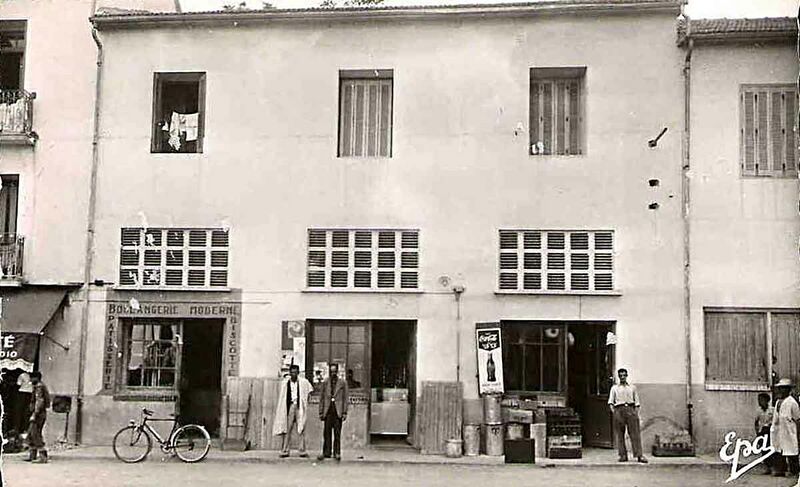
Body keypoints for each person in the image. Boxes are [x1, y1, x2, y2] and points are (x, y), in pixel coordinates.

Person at [608, 368, 648, 463]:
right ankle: (623, 455)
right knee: (620, 434)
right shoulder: (614, 388)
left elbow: (637, 403)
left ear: (626, 376)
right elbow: (611, 403)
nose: (622, 377)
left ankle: (639, 455)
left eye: (624, 375)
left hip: (630, 409)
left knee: (635, 434)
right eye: (620, 376)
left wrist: (635, 413)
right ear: (618, 377)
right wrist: (615, 413)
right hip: (619, 410)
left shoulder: (632, 387)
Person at [273, 364, 313, 458]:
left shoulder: (303, 382)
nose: (294, 374)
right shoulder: (285, 383)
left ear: (298, 373)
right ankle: (285, 450)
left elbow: (310, 391)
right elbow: (282, 396)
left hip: (299, 406)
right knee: (287, 429)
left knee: (301, 428)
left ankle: (302, 450)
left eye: (295, 372)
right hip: (290, 406)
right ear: (290, 373)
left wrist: (305, 401)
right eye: (292, 372)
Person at [317, 363, 348, 462]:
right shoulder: (325, 382)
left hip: (337, 411)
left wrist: (344, 412)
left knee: (337, 433)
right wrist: (321, 412)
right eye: (331, 372)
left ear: (337, 371)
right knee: (326, 433)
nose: (333, 373)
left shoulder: (342, 383)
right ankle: (326, 452)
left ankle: (337, 452)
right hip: (328, 411)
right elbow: (321, 398)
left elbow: (345, 398)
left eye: (335, 371)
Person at [771, 378, 799, 477]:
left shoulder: (792, 403)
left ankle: (794, 471)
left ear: (788, 390)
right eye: (780, 388)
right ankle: (780, 469)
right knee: (778, 450)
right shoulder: (778, 402)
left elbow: (797, 419)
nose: (781, 391)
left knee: (791, 450)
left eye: (784, 388)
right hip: (779, 430)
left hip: (789, 430)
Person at [26, 371, 50, 464]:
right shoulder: (38, 386)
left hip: (39, 414)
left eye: (32, 378)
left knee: (35, 433)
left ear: (36, 378)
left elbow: (39, 401)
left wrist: (34, 414)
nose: (30, 380)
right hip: (39, 413)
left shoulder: (39, 387)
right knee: (31, 433)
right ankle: (32, 455)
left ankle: (43, 457)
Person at [754, 392, 776, 475]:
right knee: (763, 450)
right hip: (762, 432)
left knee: (770, 449)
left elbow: (775, 421)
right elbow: (756, 422)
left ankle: (773, 467)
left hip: (770, 431)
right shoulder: (758, 411)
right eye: (759, 400)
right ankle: (767, 467)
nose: (760, 402)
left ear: (767, 401)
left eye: (762, 400)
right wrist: (757, 433)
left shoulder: (772, 410)